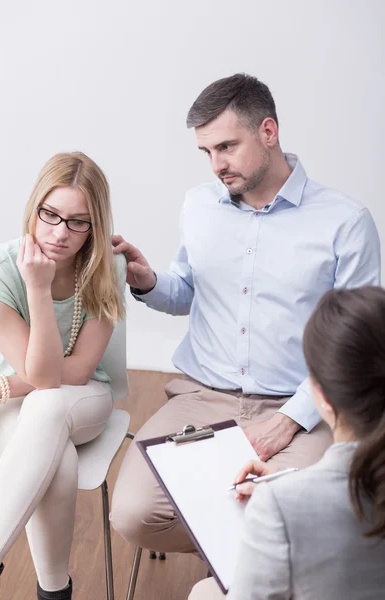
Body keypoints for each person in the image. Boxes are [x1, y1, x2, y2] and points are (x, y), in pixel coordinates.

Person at [110, 73, 380, 553]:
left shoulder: (346, 222)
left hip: (301, 407)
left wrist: (292, 419)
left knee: (308, 521)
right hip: (202, 398)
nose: (216, 164)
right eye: (207, 152)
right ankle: (249, 561)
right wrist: (148, 281)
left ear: (269, 133)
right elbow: (187, 292)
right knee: (133, 514)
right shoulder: (198, 205)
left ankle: (251, 567)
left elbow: (359, 343)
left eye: (227, 147)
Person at [0, 152, 124, 599]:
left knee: (47, 402)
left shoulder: (105, 268)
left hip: (82, 396)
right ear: (35, 207)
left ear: (95, 225)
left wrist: (3, 382)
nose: (59, 233)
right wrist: (33, 284)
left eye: (78, 222)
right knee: (59, 465)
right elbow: (43, 375)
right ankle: (55, 591)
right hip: (8, 410)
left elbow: (71, 372)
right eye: (50, 215)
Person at [188, 286, 385, 599]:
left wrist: (285, 498)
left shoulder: (279, 507)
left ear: (320, 395)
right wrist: (293, 481)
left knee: (203, 592)